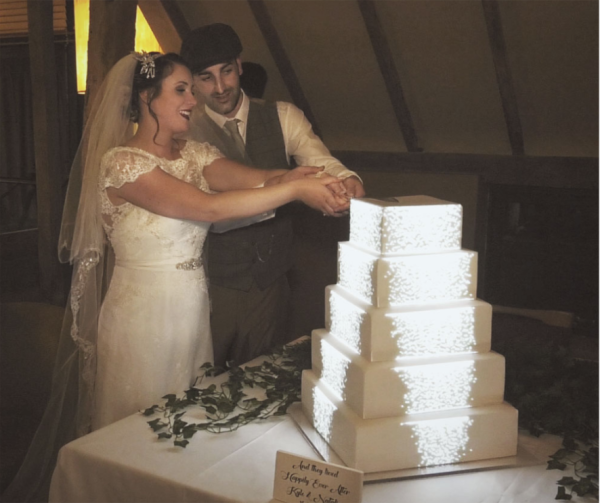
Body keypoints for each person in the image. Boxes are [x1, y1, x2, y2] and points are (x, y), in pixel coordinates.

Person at [0, 51, 349, 503]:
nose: (195, 100)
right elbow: (209, 208)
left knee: (185, 430)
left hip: (191, 311)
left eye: (192, 89)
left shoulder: (197, 154)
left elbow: (255, 180)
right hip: (142, 318)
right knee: (139, 437)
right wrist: (298, 190)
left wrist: (299, 175)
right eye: (182, 90)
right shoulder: (122, 165)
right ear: (147, 98)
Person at [180, 23, 366, 369]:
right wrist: (291, 191)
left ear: (239, 65)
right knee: (199, 383)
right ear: (192, 81)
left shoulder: (283, 116)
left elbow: (321, 163)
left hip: (271, 282)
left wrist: (346, 182)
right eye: (206, 78)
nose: (220, 87)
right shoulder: (184, 132)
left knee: (258, 381)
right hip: (209, 282)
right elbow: (201, 212)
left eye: (226, 72)